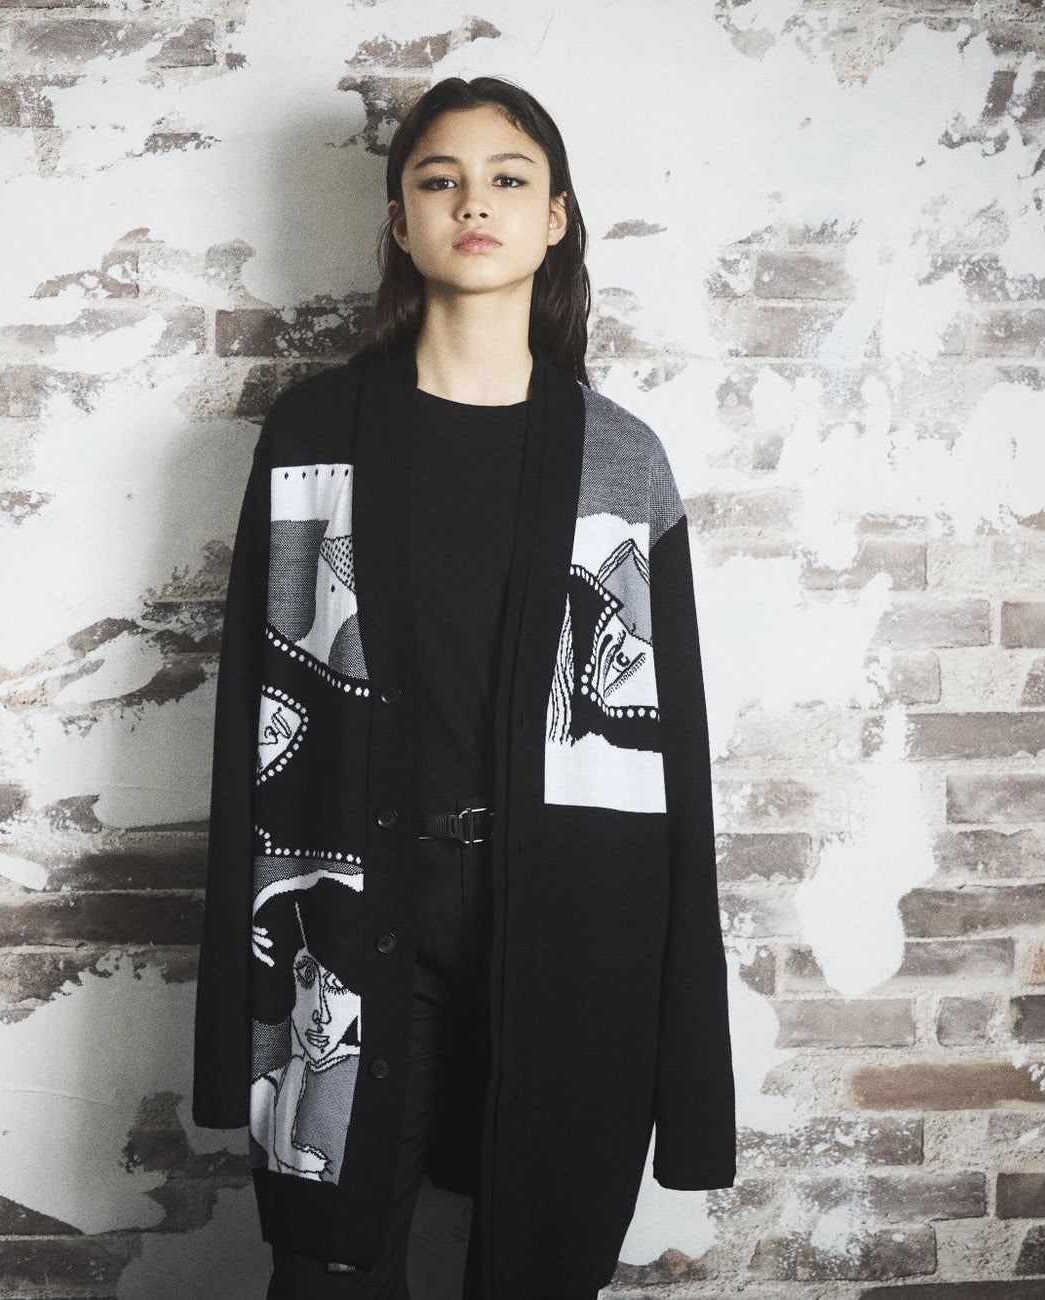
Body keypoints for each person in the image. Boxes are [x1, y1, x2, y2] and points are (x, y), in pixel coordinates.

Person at [194, 75, 736, 1299]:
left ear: (556, 218)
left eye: (508, 179)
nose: (473, 202)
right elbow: (249, 735)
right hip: (346, 922)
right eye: (440, 180)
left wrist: (691, 1075)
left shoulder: (622, 458)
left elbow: (675, 763)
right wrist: (234, 1028)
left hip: (574, 927)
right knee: (327, 1273)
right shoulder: (312, 437)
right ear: (400, 221)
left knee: (540, 1268)